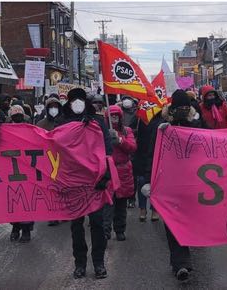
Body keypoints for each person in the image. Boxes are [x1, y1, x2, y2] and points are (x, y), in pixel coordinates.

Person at [62, 88, 113, 280]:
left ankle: (99, 262)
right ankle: (80, 263)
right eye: (73, 99)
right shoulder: (62, 122)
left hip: (94, 181)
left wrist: (104, 176)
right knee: (76, 226)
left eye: (80, 99)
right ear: (68, 102)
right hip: (73, 182)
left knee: (98, 224)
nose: (77, 102)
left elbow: (107, 151)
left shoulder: (98, 122)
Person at [156, 90, 203, 282]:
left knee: (191, 221)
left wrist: (193, 126)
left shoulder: (198, 122)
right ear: (172, 108)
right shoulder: (161, 125)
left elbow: (211, 142)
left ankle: (187, 252)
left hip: (194, 181)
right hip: (170, 182)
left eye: (186, 107)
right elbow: (152, 150)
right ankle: (180, 263)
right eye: (180, 107)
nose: (184, 110)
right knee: (173, 223)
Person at [7, 104, 36, 242]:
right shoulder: (5, 130)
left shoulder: (30, 130)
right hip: (10, 172)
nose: (17, 118)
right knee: (13, 202)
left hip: (26, 171)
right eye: (15, 116)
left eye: (19, 116)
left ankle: (26, 230)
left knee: (26, 202)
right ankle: (15, 227)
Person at [107, 105, 137, 241]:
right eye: (111, 116)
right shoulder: (102, 131)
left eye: (116, 116)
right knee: (107, 205)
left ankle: (120, 230)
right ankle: (106, 231)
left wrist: (120, 140)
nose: (114, 118)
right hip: (107, 171)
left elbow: (132, 147)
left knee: (121, 205)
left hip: (123, 171)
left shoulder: (127, 131)